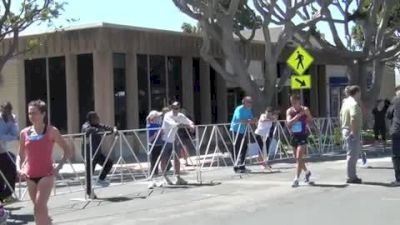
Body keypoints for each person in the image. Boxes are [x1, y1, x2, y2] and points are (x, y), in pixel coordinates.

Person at [18, 100, 72, 225]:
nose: (32, 116)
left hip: (46, 175)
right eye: (29, 113)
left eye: (35, 113)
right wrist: (19, 167)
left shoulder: (52, 131)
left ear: (43, 114)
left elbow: (67, 150)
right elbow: (20, 155)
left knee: (38, 208)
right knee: (41, 210)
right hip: (30, 176)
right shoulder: (24, 133)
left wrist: (58, 167)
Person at [82, 111, 117, 197]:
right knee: (89, 174)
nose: (98, 119)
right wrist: (99, 130)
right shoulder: (86, 125)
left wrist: (114, 129)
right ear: (92, 119)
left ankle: (101, 179)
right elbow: (88, 130)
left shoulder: (97, 125)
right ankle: (89, 192)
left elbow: (107, 127)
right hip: (89, 154)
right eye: (96, 118)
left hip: (97, 153)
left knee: (108, 163)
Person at [161, 101, 194, 185]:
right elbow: (174, 124)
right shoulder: (167, 115)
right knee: (164, 158)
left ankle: (178, 177)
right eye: (173, 108)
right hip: (165, 139)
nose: (175, 110)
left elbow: (188, 121)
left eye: (177, 108)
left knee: (176, 158)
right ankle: (164, 177)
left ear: (179, 108)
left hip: (174, 139)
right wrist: (187, 126)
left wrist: (191, 125)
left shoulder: (180, 115)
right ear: (171, 107)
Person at [286, 94, 313, 187]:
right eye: (292, 102)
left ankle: (296, 179)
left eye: (295, 102)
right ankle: (307, 172)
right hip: (294, 135)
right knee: (297, 159)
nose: (293, 104)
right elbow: (289, 123)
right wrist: (298, 116)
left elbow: (310, 120)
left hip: (303, 135)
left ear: (299, 102)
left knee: (298, 157)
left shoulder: (305, 109)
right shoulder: (289, 111)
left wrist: (306, 116)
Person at [340, 85, 363, 184]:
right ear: (357, 92)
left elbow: (341, 115)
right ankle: (351, 177)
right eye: (360, 93)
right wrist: (353, 131)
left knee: (352, 153)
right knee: (352, 154)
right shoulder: (353, 103)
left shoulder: (346, 102)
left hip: (346, 128)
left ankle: (352, 175)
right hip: (352, 130)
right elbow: (353, 117)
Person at [230, 96, 256, 173]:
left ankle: (242, 166)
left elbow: (253, 120)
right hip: (235, 130)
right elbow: (240, 120)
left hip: (243, 131)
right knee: (236, 149)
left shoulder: (249, 109)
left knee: (244, 148)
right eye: (249, 102)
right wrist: (249, 121)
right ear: (244, 102)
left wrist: (250, 120)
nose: (250, 104)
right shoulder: (239, 109)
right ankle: (236, 167)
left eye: (251, 102)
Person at [0, 102, 18, 203]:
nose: (6, 112)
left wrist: (13, 122)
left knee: (12, 168)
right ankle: (4, 196)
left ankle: (5, 194)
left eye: (8, 110)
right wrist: (9, 136)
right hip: (1, 150)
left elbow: (14, 133)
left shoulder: (12, 118)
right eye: (4, 109)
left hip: (3, 150)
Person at [386, 85, 400, 185]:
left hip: (397, 130)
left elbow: (389, 115)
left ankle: (398, 179)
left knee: (396, 155)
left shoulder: (395, 100)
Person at [146, 110, 163, 177]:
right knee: (154, 160)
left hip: (160, 144)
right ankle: (153, 173)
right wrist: (156, 135)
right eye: (158, 116)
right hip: (154, 145)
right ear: (154, 118)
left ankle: (156, 172)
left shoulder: (158, 124)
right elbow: (149, 139)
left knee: (160, 158)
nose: (159, 117)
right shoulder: (150, 126)